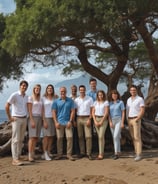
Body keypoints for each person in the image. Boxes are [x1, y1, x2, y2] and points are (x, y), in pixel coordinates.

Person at [5, 80, 29, 166]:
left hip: (24, 119)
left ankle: (18, 156)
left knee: (21, 139)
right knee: (15, 139)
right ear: (20, 86)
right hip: (16, 119)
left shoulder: (26, 96)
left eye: (25, 86)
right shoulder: (14, 95)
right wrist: (10, 118)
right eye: (23, 85)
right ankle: (14, 159)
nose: (24, 87)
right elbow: (7, 105)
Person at [52, 86, 75, 161]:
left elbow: (73, 111)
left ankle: (69, 154)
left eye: (64, 91)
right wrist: (55, 122)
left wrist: (70, 121)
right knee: (59, 138)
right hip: (59, 122)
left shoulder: (70, 101)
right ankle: (59, 154)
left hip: (67, 122)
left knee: (70, 137)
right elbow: (54, 112)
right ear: (60, 92)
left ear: (66, 92)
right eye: (61, 91)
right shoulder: (56, 101)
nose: (63, 93)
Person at [126, 85, 145, 161]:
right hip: (129, 119)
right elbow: (127, 110)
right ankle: (136, 152)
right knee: (133, 137)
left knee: (137, 137)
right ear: (130, 91)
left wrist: (138, 118)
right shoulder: (128, 100)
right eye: (131, 90)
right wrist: (127, 119)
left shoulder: (140, 99)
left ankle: (139, 154)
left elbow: (142, 110)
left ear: (136, 90)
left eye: (134, 90)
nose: (133, 91)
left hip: (136, 119)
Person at [75, 85, 94, 160]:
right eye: (81, 90)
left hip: (87, 118)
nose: (82, 91)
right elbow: (75, 110)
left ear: (85, 90)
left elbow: (92, 109)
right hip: (79, 118)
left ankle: (88, 153)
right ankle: (82, 152)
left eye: (83, 90)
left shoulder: (89, 99)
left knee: (88, 136)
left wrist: (90, 118)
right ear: (79, 91)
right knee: (80, 137)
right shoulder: (76, 100)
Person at [27, 84, 43, 162]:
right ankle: (30, 155)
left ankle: (33, 154)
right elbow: (29, 110)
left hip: (39, 118)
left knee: (36, 137)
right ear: (34, 89)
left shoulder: (40, 99)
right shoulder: (30, 98)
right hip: (33, 118)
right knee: (32, 137)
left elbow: (42, 110)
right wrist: (32, 120)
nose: (37, 89)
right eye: (36, 88)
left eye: (39, 88)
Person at [42, 84, 57, 161]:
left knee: (51, 136)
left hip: (53, 118)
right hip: (46, 118)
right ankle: (44, 153)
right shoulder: (43, 98)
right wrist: (44, 121)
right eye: (48, 88)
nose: (50, 89)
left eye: (51, 88)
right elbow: (42, 110)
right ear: (46, 89)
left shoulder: (55, 98)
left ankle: (48, 151)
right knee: (46, 137)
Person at [92, 90, 109, 160]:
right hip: (96, 119)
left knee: (101, 136)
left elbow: (106, 112)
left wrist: (102, 121)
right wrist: (95, 121)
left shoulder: (106, 102)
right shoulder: (95, 102)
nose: (100, 96)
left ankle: (101, 154)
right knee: (100, 137)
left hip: (103, 120)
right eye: (99, 95)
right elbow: (93, 112)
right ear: (97, 96)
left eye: (101, 95)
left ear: (103, 95)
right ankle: (101, 152)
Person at [108, 89, 125, 160]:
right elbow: (108, 114)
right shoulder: (109, 103)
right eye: (113, 94)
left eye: (115, 94)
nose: (114, 95)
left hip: (118, 120)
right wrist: (110, 122)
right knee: (115, 137)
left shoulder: (120, 102)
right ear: (111, 96)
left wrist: (122, 122)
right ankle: (119, 152)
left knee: (115, 136)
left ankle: (115, 153)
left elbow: (123, 112)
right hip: (112, 121)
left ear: (117, 95)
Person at [69, 84, 80, 156]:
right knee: (71, 135)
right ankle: (71, 151)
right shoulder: (69, 98)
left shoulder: (79, 98)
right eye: (72, 90)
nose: (74, 91)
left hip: (77, 116)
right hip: (70, 117)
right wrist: (72, 120)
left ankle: (77, 151)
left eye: (75, 90)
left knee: (77, 135)